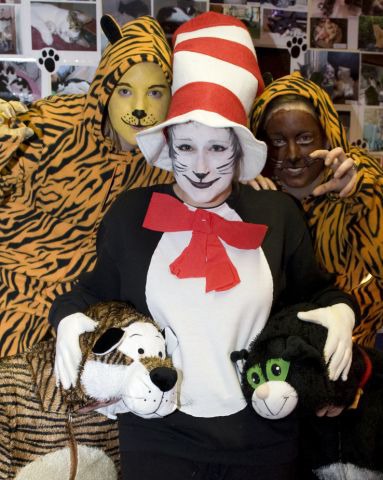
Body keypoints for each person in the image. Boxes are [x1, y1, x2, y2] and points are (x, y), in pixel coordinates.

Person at [49, 13, 357, 480]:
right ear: (167, 142)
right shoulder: (131, 215)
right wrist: (67, 320)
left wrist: (341, 312)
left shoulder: (277, 216)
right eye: (187, 146)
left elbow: (316, 294)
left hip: (264, 436)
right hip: (158, 437)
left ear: (239, 148)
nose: (199, 166)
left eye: (217, 148)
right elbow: (88, 295)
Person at [0, 15, 173, 356]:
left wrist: (247, 178)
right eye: (124, 90)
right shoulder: (56, 124)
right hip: (13, 287)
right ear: (105, 90)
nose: (139, 109)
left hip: (83, 310)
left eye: (155, 92)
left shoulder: (170, 165)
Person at [250, 71, 383, 347]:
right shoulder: (254, 194)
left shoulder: (360, 181)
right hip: (272, 363)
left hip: (353, 356)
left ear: (326, 136)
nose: (294, 154)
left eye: (305, 138)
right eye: (277, 141)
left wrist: (365, 194)